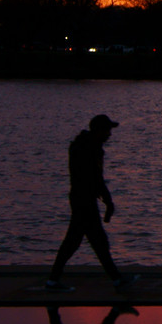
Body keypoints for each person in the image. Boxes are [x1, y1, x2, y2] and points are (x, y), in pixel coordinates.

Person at [45, 114, 136, 291]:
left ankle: (116, 279)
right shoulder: (91, 149)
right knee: (84, 241)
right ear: (99, 130)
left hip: (80, 198)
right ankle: (116, 279)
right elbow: (96, 178)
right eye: (107, 130)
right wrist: (108, 201)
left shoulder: (81, 145)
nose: (109, 134)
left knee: (87, 241)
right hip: (84, 200)